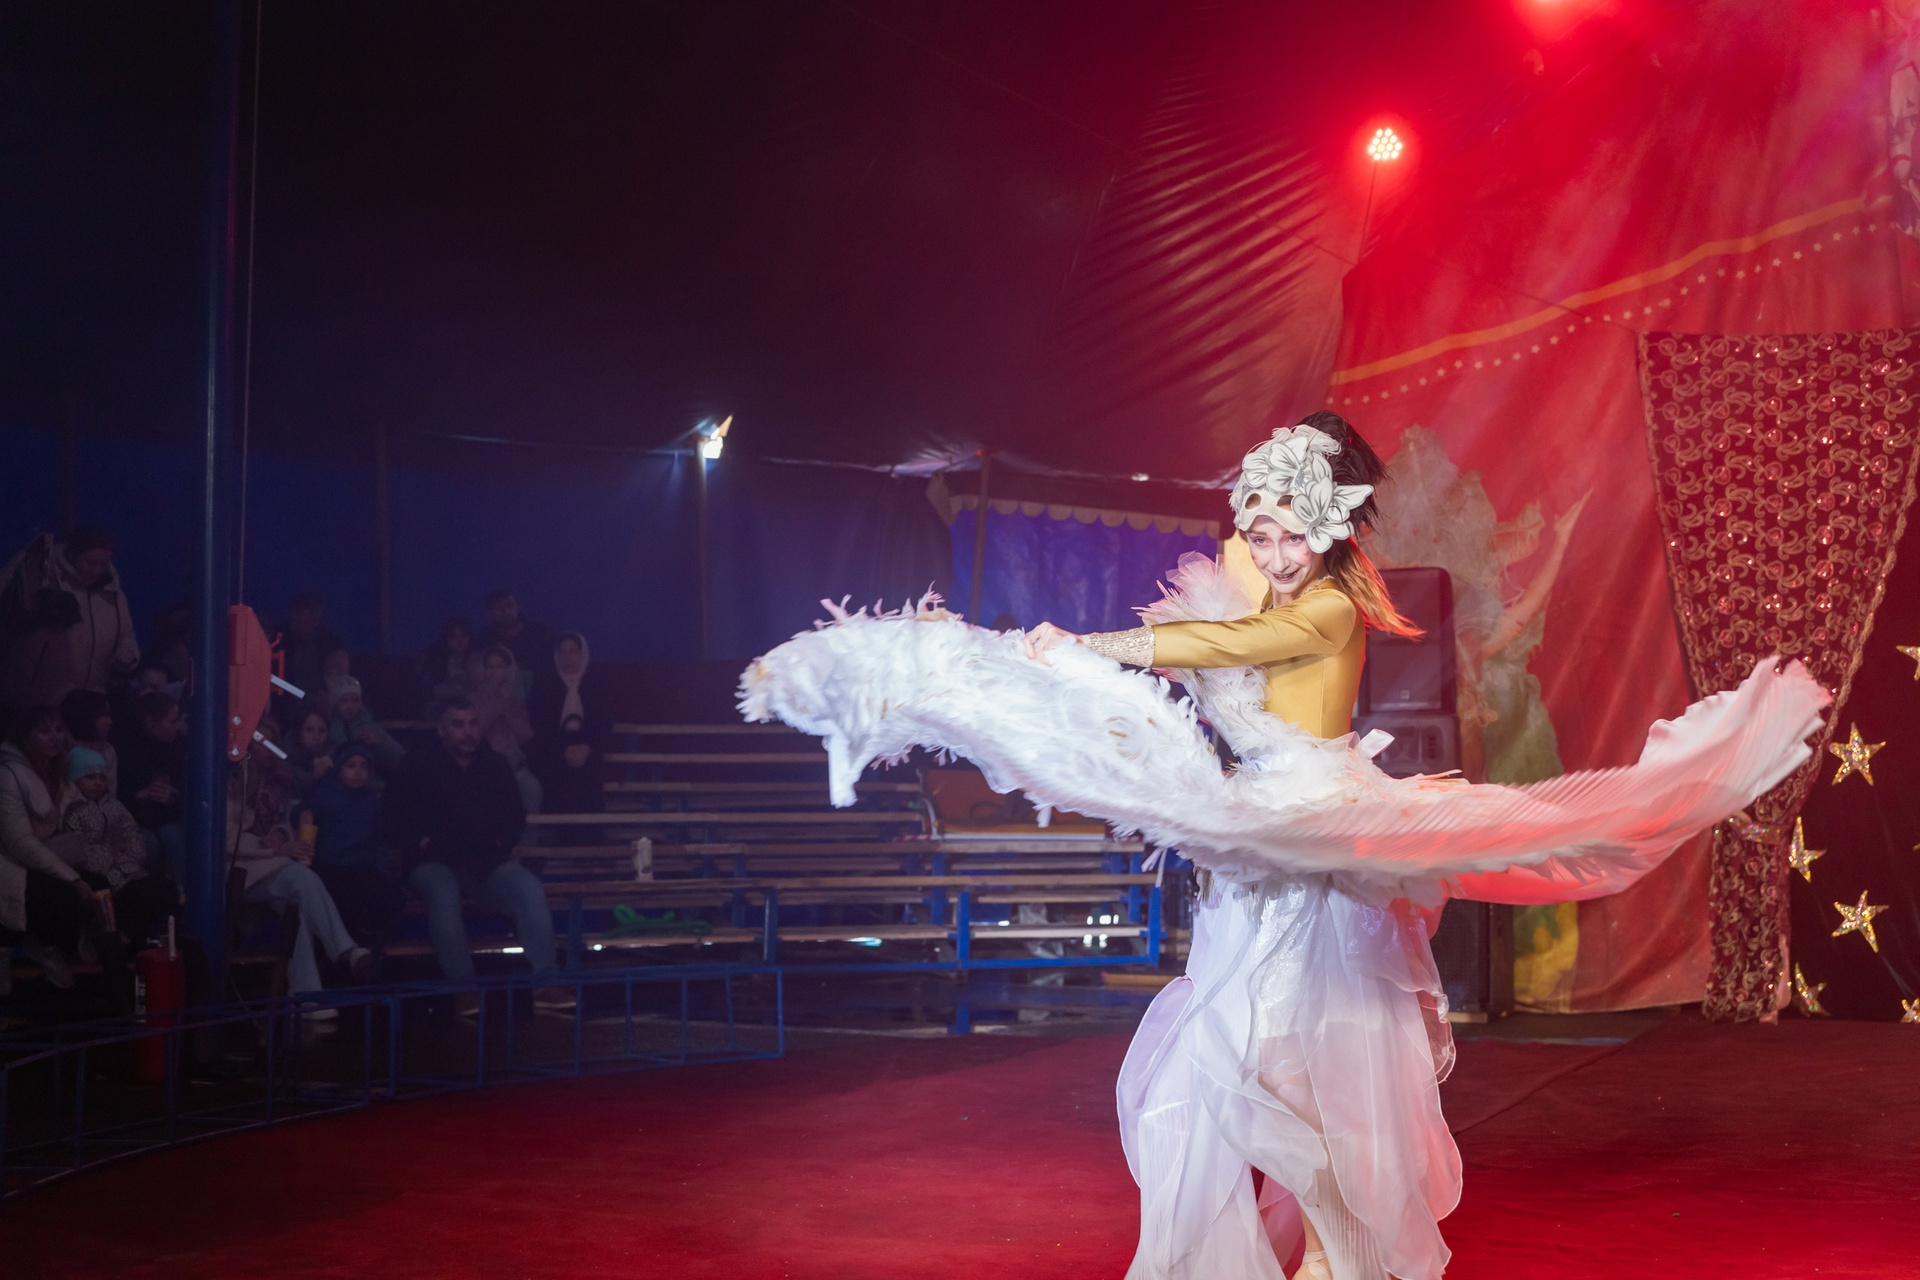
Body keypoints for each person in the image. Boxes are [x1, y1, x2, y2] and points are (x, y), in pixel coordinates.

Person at [739, 412, 1828, 1280]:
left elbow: (1229, 639)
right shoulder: (1266, 565)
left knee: (1304, 1059)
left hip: (1317, 832)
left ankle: (1337, 1255)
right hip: (1258, 841)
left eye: (1289, 535)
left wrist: (1094, 642)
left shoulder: (1334, 610)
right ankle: (1312, 1249)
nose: (1270, 553)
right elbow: (1230, 598)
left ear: (1331, 532)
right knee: (1240, 1058)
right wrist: (1254, 508)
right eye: (1257, 534)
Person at [385, 696, 569, 1013]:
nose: (468, 731)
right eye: (458, 724)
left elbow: (515, 816)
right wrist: (421, 841)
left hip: (484, 862)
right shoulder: (417, 764)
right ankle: (463, 987)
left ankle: (547, 983)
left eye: (472, 724)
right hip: (432, 861)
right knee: (443, 890)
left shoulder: (494, 765)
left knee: (528, 887)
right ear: (442, 729)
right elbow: (392, 815)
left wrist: (499, 843)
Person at [227, 750, 373, 1008]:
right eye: (262, 741)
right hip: (239, 870)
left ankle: (307, 996)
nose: (268, 748)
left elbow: (283, 823)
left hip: (270, 866)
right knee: (301, 877)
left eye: (272, 742)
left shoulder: (276, 784)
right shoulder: (229, 783)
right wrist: (273, 849)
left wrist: (281, 834)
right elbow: (228, 840)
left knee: (296, 911)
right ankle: (347, 951)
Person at [0, 706, 106, 991]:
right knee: (67, 891)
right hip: (12, 866)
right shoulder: (9, 775)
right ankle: (38, 946)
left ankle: (81, 940)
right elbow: (20, 844)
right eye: (44, 731)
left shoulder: (56, 772)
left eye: (59, 729)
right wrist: (73, 878)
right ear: (25, 736)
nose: (55, 737)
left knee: (103, 882)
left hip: (49, 857)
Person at [0, 525, 140, 710]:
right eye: (91, 563)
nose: (97, 570)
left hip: (90, 700)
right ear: (72, 555)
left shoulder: (114, 596)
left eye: (103, 564)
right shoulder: (43, 579)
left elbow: (126, 635)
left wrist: (128, 654)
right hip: (42, 699)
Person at [57, 745, 180, 952]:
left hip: (127, 871)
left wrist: (129, 862)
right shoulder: (70, 811)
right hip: (99, 876)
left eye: (101, 777)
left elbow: (132, 834)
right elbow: (79, 849)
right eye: (90, 777)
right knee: (121, 896)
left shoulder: (114, 806)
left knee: (165, 891)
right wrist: (113, 857)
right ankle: (104, 937)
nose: (97, 782)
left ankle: (130, 936)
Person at [298, 742, 404, 948]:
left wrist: (383, 870)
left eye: (364, 766)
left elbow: (377, 840)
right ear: (340, 768)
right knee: (344, 903)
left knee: (392, 897)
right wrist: (305, 816)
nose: (358, 772)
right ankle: (348, 954)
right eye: (351, 765)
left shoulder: (371, 802)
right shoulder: (324, 794)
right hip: (330, 868)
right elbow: (302, 812)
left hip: (362, 868)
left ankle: (368, 948)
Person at [528, 632, 610, 817]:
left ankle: (589, 832)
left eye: (572, 651)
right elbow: (539, 723)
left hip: (588, 747)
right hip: (553, 748)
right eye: (562, 652)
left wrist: (587, 748)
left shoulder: (595, 682)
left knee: (589, 780)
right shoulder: (544, 683)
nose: (567, 657)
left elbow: (603, 721)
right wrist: (561, 750)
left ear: (582, 654)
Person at [118, 690, 188, 882]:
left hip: (170, 818)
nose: (177, 727)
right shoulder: (126, 748)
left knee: (174, 836)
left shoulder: (181, 746)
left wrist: (174, 795)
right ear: (150, 721)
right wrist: (141, 794)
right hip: (135, 818)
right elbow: (116, 792)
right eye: (172, 721)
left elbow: (190, 791)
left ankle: (180, 891)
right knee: (147, 842)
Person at [471, 645, 541, 815]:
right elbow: (476, 731)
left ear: (508, 670)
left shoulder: (517, 699)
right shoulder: (473, 698)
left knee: (533, 790)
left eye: (499, 666)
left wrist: (506, 702)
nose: (493, 671)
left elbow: (525, 735)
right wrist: (498, 703)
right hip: (484, 769)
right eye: (489, 666)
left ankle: (529, 834)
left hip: (515, 768)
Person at [324, 675, 406, 776]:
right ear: (335, 703)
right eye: (344, 701)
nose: (350, 706)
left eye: (355, 700)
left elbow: (400, 758)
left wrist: (380, 744)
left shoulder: (370, 728)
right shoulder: (324, 728)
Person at [276, 592, 343, 705]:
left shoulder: (330, 644)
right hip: (282, 703)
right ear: (293, 615)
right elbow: (272, 678)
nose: (307, 624)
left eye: (313, 618)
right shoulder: (278, 641)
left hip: (321, 705)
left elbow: (339, 676)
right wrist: (302, 695)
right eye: (302, 620)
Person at [476, 590, 554, 679]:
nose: (505, 611)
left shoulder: (540, 632)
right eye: (498, 607)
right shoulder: (485, 638)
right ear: (489, 613)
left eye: (509, 605)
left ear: (517, 607)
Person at [58, 689, 118, 796]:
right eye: (106, 715)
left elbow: (110, 794)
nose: (110, 721)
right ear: (88, 716)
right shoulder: (60, 748)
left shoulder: (108, 751)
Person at [417, 617, 476, 715]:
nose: (459, 641)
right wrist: (460, 691)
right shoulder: (437, 661)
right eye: (453, 637)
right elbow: (435, 690)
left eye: (464, 636)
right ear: (446, 639)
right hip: (443, 707)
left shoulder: (477, 660)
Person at [286, 707, 336, 799]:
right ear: (299, 733)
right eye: (309, 730)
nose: (316, 736)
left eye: (321, 731)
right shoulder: (285, 765)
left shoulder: (337, 760)